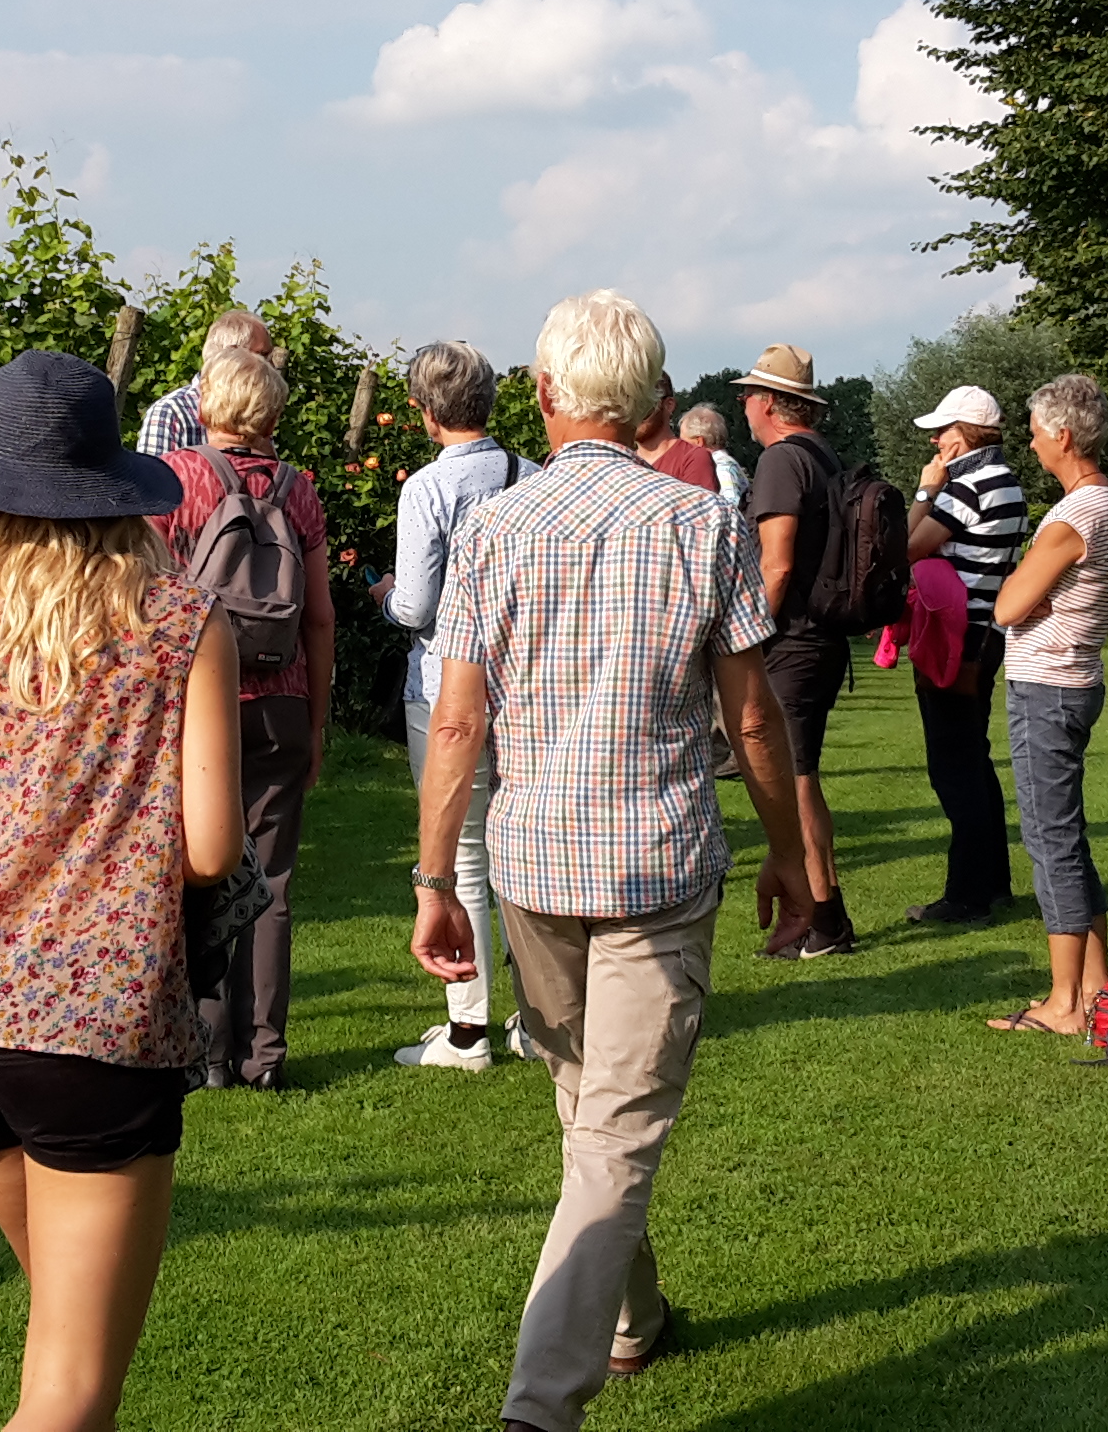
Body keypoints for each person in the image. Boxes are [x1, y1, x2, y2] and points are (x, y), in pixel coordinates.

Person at [410, 289, 810, 1432]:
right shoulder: (700, 523)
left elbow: (455, 725)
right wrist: (791, 857)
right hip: (654, 863)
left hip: (538, 868)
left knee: (598, 1114)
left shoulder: (495, 527)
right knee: (611, 1125)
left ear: (544, 397)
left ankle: (631, 1319)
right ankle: (543, 1406)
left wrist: (438, 880)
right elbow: (751, 720)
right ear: (647, 402)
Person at [0, 350, 245, 1432]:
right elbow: (213, 848)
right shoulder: (181, 629)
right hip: (97, 1030)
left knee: (67, 1346)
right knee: (70, 1397)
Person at [150, 346, 335, 1091]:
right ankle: (265, 1054)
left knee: (197, 872)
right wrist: (315, 722)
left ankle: (208, 1050)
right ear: (275, 413)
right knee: (275, 882)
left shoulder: (176, 482)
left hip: (201, 703)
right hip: (283, 702)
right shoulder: (301, 492)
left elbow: (155, 606)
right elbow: (319, 618)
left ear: (207, 407)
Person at [371, 340, 538, 1071]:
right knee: (523, 848)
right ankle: (537, 1017)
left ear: (426, 411)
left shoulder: (427, 490)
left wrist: (379, 596)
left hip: (443, 685)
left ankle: (468, 1026)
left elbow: (414, 606)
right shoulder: (533, 477)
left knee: (459, 850)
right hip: (524, 681)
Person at [985, 373, 1108, 1037]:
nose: (1030, 441)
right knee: (1067, 835)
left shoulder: (1073, 514)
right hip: (1077, 680)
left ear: (1063, 435)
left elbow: (1006, 606)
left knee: (1051, 841)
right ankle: (1097, 986)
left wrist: (1028, 592)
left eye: (1036, 430)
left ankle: (1064, 1003)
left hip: (1048, 685)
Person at [736, 343, 858, 958]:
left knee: (797, 781)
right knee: (802, 779)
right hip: (824, 639)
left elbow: (776, 566)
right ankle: (820, 911)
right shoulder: (823, 455)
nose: (743, 406)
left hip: (795, 641)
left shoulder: (782, 461)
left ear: (767, 404)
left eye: (748, 395)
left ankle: (826, 920)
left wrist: (748, 633)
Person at [902, 384, 1031, 925]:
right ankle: (992, 882)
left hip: (953, 636)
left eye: (945, 431)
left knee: (952, 764)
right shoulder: (1008, 483)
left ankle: (966, 895)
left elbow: (906, 545)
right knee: (973, 759)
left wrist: (926, 491)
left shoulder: (965, 486)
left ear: (968, 435)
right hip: (986, 635)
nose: (936, 439)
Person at [135, 308, 273, 456]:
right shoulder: (171, 412)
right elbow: (152, 478)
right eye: (262, 355)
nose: (269, 365)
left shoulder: (255, 408)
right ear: (231, 355)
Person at [632, 372, 718, 493]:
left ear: (669, 405)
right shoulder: (624, 462)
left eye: (645, 404)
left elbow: (699, 510)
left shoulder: (692, 458)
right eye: (627, 404)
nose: (634, 413)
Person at [679, 403, 747, 508]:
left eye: (684, 442)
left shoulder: (723, 466)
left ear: (698, 442)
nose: (681, 446)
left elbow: (731, 504)